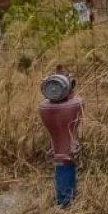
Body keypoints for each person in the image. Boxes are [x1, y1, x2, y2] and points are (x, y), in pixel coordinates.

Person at [38, 72, 83, 207]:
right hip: (66, 148)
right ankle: (66, 199)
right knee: (65, 151)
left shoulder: (45, 107)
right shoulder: (75, 103)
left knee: (61, 151)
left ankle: (65, 199)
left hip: (61, 149)